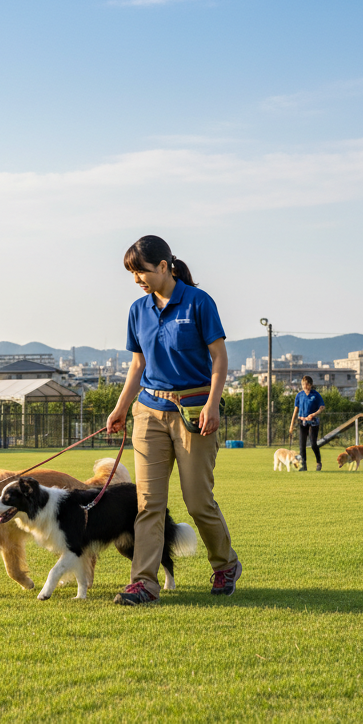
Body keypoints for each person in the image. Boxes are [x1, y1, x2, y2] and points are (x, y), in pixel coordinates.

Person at [106, 235, 242, 606]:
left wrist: (213, 404)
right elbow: (138, 366)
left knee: (198, 501)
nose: (138, 279)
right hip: (148, 412)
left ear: (164, 266)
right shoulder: (138, 310)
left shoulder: (199, 303)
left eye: (142, 271)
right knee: (148, 503)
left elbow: (219, 359)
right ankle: (144, 583)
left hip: (194, 412)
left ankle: (225, 563)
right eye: (132, 274)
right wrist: (120, 408)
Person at [290, 375, 326, 471]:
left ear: (310, 384)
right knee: (302, 445)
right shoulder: (299, 395)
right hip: (303, 422)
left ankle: (318, 462)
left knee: (313, 443)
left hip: (313, 422)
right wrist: (291, 424)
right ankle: (303, 465)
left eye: (306, 384)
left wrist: (314, 414)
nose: (305, 386)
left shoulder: (316, 395)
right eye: (303, 384)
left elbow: (322, 407)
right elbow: (295, 410)